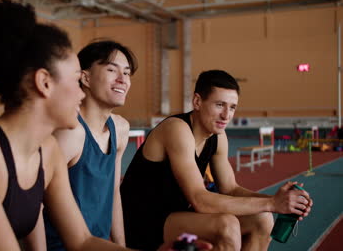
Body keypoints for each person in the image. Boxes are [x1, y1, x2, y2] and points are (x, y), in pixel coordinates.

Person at [0, 0, 136, 251]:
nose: (82, 94)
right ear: (45, 83)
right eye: (76, 81)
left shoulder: (49, 151)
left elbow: (82, 241)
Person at [120, 70, 313, 251]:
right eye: (219, 105)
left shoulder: (218, 137)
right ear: (197, 101)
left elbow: (230, 189)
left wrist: (283, 202)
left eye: (232, 107)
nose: (226, 115)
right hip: (140, 221)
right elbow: (199, 200)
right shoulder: (176, 129)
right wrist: (272, 203)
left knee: (262, 218)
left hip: (176, 216)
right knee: (226, 225)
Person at [44, 40, 137, 250]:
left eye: (127, 73)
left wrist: (121, 246)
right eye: (112, 70)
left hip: (98, 245)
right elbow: (35, 207)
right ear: (85, 77)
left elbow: (113, 192)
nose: (123, 79)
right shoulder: (70, 133)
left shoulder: (120, 129)